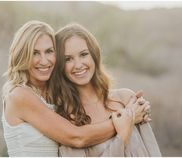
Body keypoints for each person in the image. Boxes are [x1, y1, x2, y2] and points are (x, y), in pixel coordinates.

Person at [1, 20, 141, 157]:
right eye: (34, 53)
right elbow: (77, 138)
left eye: (49, 51)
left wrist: (127, 101)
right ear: (21, 55)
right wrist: (127, 119)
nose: (44, 60)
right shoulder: (20, 96)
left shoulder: (52, 95)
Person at [49, 23, 161, 156]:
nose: (78, 65)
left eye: (84, 54)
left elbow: (152, 151)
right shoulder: (65, 120)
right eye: (68, 59)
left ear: (94, 55)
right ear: (59, 66)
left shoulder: (126, 99)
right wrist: (122, 137)